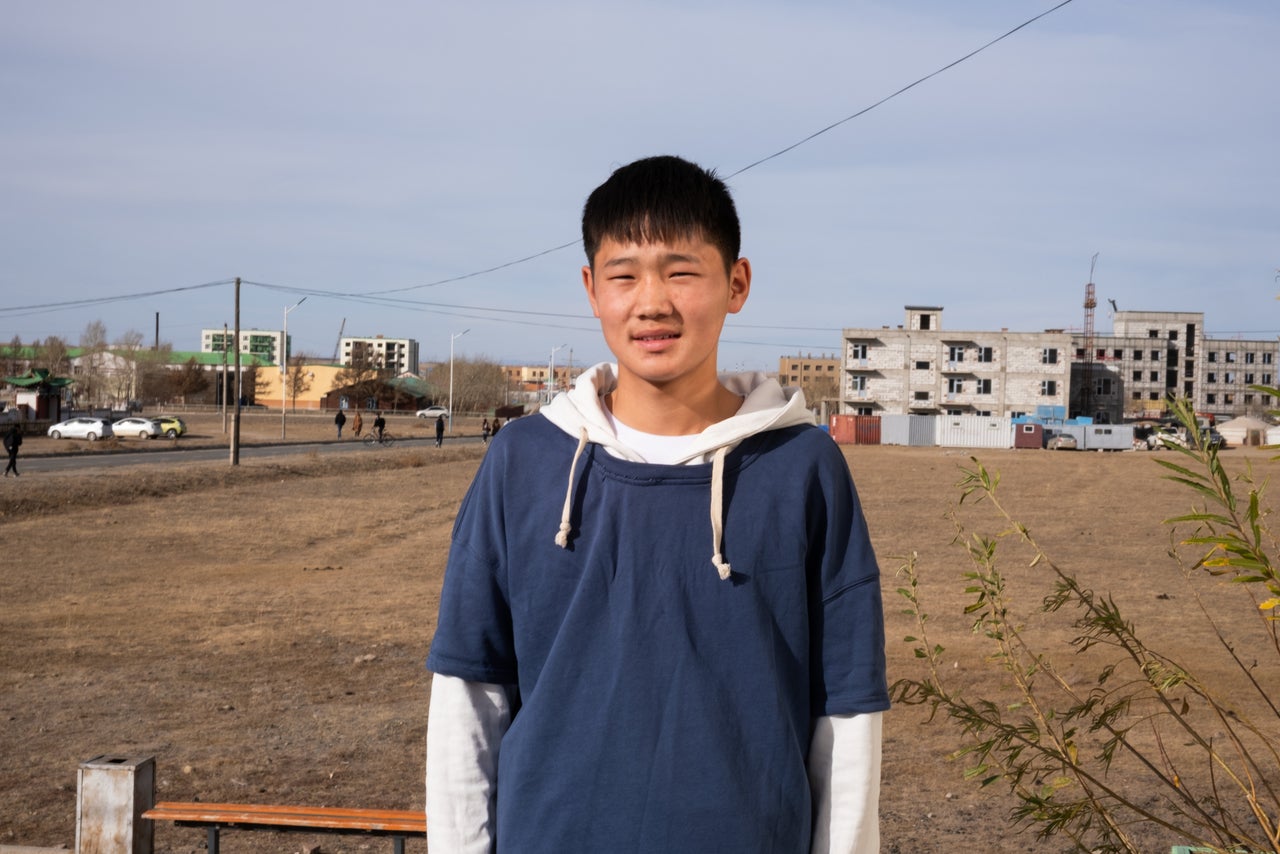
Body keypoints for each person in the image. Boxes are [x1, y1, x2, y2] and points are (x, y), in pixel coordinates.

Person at [426, 155, 889, 853]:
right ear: (591, 288)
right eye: (624, 275)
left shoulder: (801, 470)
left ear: (737, 283)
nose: (652, 303)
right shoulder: (522, 462)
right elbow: (470, 697)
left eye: (681, 272)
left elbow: (847, 718)